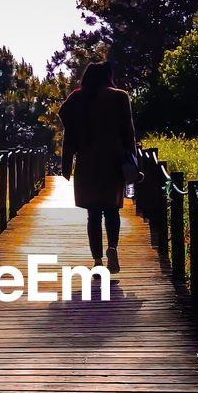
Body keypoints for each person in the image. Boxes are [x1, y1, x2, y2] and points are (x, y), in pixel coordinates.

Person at [57, 60, 139, 273]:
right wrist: (133, 161)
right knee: (112, 210)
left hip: (87, 160)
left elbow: (65, 120)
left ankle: (97, 261)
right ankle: (112, 248)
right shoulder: (120, 96)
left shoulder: (77, 98)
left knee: (93, 214)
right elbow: (129, 132)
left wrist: (66, 163)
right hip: (113, 160)